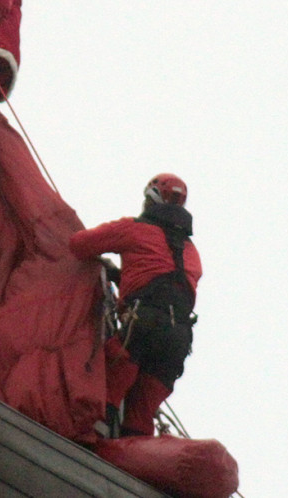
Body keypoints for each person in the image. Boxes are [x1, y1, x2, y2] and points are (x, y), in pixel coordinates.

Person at [69, 173, 202, 437]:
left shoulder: (133, 230)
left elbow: (79, 244)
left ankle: (91, 440)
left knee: (112, 379)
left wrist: (106, 268)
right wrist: (120, 276)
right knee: (142, 410)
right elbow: (163, 282)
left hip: (144, 325)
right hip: (178, 339)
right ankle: (134, 454)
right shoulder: (191, 252)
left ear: (150, 199)